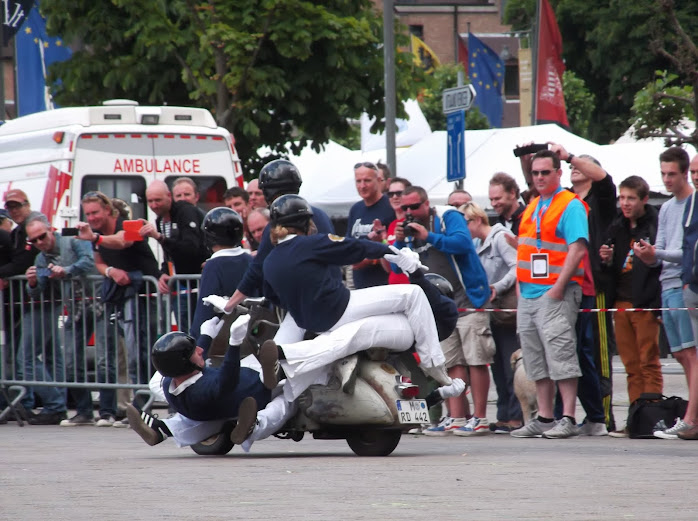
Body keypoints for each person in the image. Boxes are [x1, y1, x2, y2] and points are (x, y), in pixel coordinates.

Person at [392, 186, 492, 436]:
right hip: (440, 305)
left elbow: (463, 243)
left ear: (427, 204)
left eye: (414, 207)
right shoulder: (408, 229)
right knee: (451, 362)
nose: (409, 212)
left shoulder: (448, 216)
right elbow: (395, 266)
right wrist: (397, 240)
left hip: (468, 298)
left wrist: (428, 236)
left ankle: (480, 418)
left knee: (476, 360)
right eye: (405, 208)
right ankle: (456, 417)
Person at [510, 149, 588, 439]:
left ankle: (567, 417)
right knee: (534, 359)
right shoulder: (533, 205)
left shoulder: (571, 205)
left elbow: (577, 248)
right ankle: (544, 418)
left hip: (556, 291)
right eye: (535, 173)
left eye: (545, 172)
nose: (540, 177)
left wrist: (557, 288)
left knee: (561, 354)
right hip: (528, 295)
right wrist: (521, 293)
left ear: (558, 173)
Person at [223, 160, 334, 342]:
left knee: (278, 356)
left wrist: (229, 305)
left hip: (302, 306)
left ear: (269, 192)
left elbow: (257, 270)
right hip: (332, 297)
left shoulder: (278, 222)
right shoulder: (320, 214)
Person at [125, 317, 278, 447]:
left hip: (207, 408)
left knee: (201, 419)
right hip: (251, 391)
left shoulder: (167, 382)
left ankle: (162, 429)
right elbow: (226, 381)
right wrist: (234, 343)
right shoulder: (202, 390)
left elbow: (190, 360)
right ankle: (255, 425)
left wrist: (206, 335)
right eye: (194, 351)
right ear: (184, 364)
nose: (200, 350)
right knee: (287, 403)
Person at [77, 191, 161, 422]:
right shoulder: (97, 235)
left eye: (95, 212)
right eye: (88, 214)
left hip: (143, 296)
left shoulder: (128, 224)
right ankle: (118, 410)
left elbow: (123, 241)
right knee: (114, 356)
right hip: (119, 297)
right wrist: (111, 271)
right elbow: (99, 262)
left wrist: (95, 238)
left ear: (107, 209)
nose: (92, 217)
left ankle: (143, 408)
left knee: (139, 355)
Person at [552, 142, 618, 432]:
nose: (573, 167)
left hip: (593, 285)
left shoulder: (599, 198)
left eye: (580, 165)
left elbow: (604, 177)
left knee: (594, 354)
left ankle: (602, 416)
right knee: (565, 351)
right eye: (570, 166)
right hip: (562, 284)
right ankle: (562, 416)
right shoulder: (563, 199)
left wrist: (569, 155)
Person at [634, 147, 697, 439]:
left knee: (692, 354)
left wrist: (656, 252)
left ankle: (691, 417)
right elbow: (660, 251)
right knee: (683, 354)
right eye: (663, 174)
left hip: (684, 285)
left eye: (672, 174)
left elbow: (685, 252)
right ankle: (691, 416)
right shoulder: (668, 207)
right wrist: (647, 254)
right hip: (666, 284)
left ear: (685, 173)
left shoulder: (693, 203)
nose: (667, 179)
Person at [17, 215, 97, 425]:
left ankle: (108, 411)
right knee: (70, 361)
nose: (39, 243)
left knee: (107, 360)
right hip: (75, 309)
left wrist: (66, 271)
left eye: (42, 237)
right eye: (33, 241)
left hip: (99, 304)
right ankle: (82, 410)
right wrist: (32, 283)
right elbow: (38, 290)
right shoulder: (42, 258)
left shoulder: (72, 240)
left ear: (51, 230)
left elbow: (88, 261)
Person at [599, 176, 662, 437]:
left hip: (644, 302)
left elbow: (659, 263)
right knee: (630, 365)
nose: (625, 203)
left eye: (631, 198)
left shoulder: (653, 224)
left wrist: (656, 306)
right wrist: (607, 259)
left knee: (649, 361)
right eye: (622, 198)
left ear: (644, 200)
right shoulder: (617, 226)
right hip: (621, 303)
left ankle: (655, 418)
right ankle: (636, 419)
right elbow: (612, 267)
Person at [461, 202, 523, 433]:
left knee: (511, 365)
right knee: (497, 367)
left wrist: (497, 286)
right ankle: (505, 415)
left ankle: (516, 417)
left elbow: (517, 266)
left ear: (477, 220)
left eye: (465, 222)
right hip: (493, 312)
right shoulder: (477, 243)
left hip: (507, 312)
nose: (463, 228)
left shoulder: (500, 237)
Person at [139, 180, 207, 334]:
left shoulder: (185, 211)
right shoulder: (160, 220)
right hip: (180, 284)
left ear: (169, 197)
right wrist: (163, 273)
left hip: (197, 283)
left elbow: (191, 248)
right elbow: (169, 254)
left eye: (158, 200)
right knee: (184, 330)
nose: (154, 205)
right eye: (150, 201)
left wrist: (159, 237)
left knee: (198, 331)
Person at [189, 207, 254, 344]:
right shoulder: (249, 260)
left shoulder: (214, 265)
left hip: (223, 339)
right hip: (252, 333)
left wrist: (197, 340)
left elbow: (205, 310)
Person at [347, 162, 395, 288]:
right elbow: (348, 244)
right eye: (358, 181)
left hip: (385, 285)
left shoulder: (390, 207)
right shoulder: (355, 209)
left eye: (367, 180)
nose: (362, 186)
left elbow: (397, 249)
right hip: (359, 285)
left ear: (379, 180)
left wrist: (370, 260)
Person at [677, 155, 698, 440]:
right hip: (693, 287)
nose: (696, 176)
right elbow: (687, 246)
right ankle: (691, 420)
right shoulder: (692, 202)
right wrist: (685, 281)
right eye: (693, 171)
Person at [382, 177, 412, 285]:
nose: (394, 197)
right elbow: (389, 268)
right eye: (390, 194)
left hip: (412, 286)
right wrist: (382, 240)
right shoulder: (392, 225)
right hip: (395, 287)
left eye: (399, 193)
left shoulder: (413, 222)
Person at [223, 186, 257, 251]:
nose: (233, 210)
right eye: (229, 207)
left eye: (237, 204)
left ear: (249, 203)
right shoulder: (230, 232)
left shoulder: (261, 220)